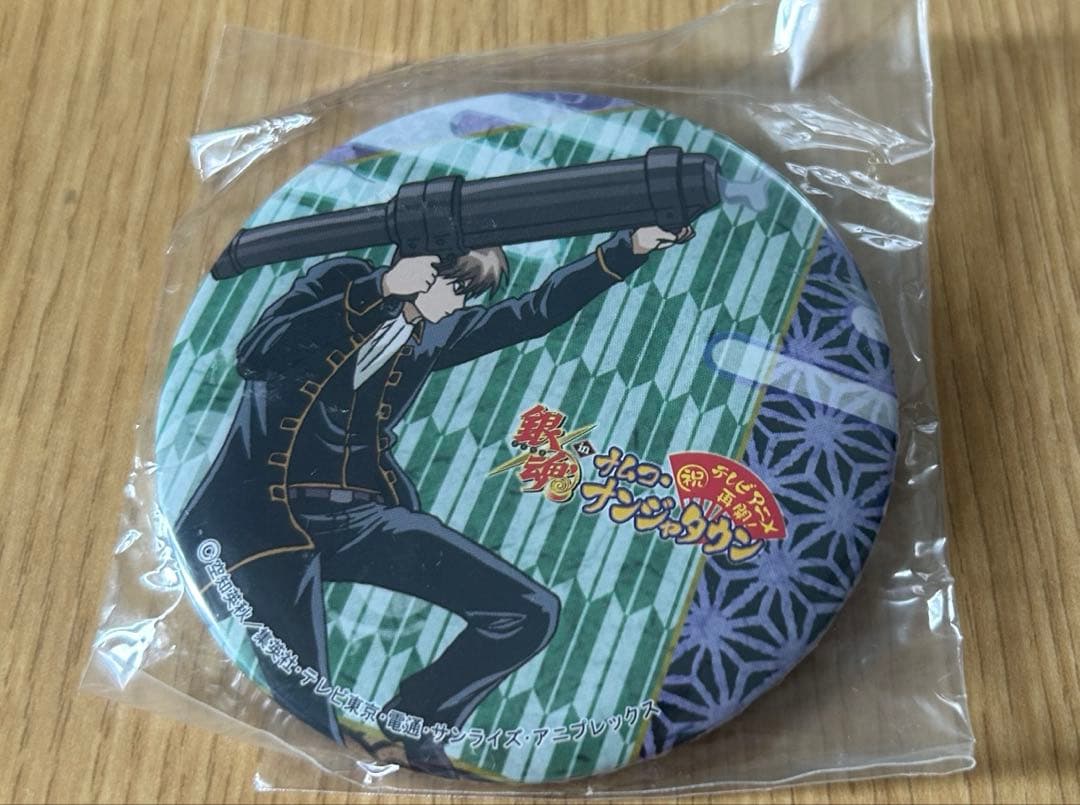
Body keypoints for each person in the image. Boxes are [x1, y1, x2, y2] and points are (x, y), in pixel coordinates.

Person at [176, 224, 693, 776]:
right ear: (420, 270)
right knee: (307, 703)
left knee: (527, 612)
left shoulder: (433, 333)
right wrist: (380, 288)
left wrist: (629, 247)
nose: (459, 304)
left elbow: (534, 312)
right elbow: (258, 352)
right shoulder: (343, 281)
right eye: (458, 288)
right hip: (261, 516)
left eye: (471, 294)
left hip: (360, 516)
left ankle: (412, 724)